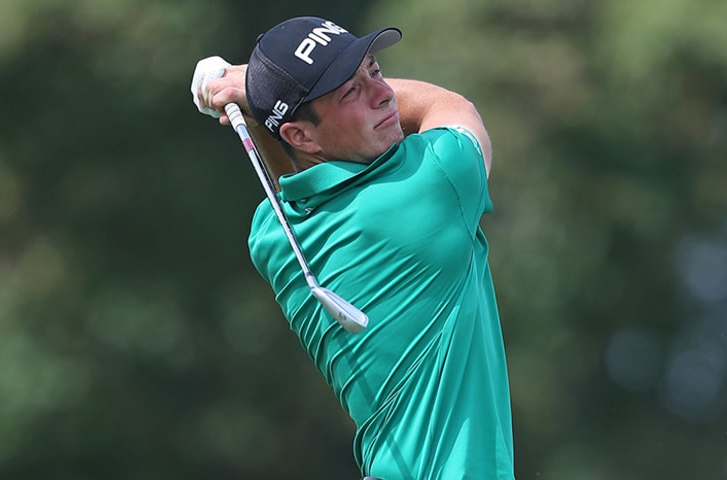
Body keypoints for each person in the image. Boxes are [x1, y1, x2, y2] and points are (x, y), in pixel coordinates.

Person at [195, 16, 514, 479]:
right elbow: (450, 106)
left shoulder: (271, 238)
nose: (382, 93)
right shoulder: (433, 183)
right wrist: (246, 83)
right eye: (350, 90)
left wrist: (261, 100)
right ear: (300, 136)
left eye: (374, 69)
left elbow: (289, 178)